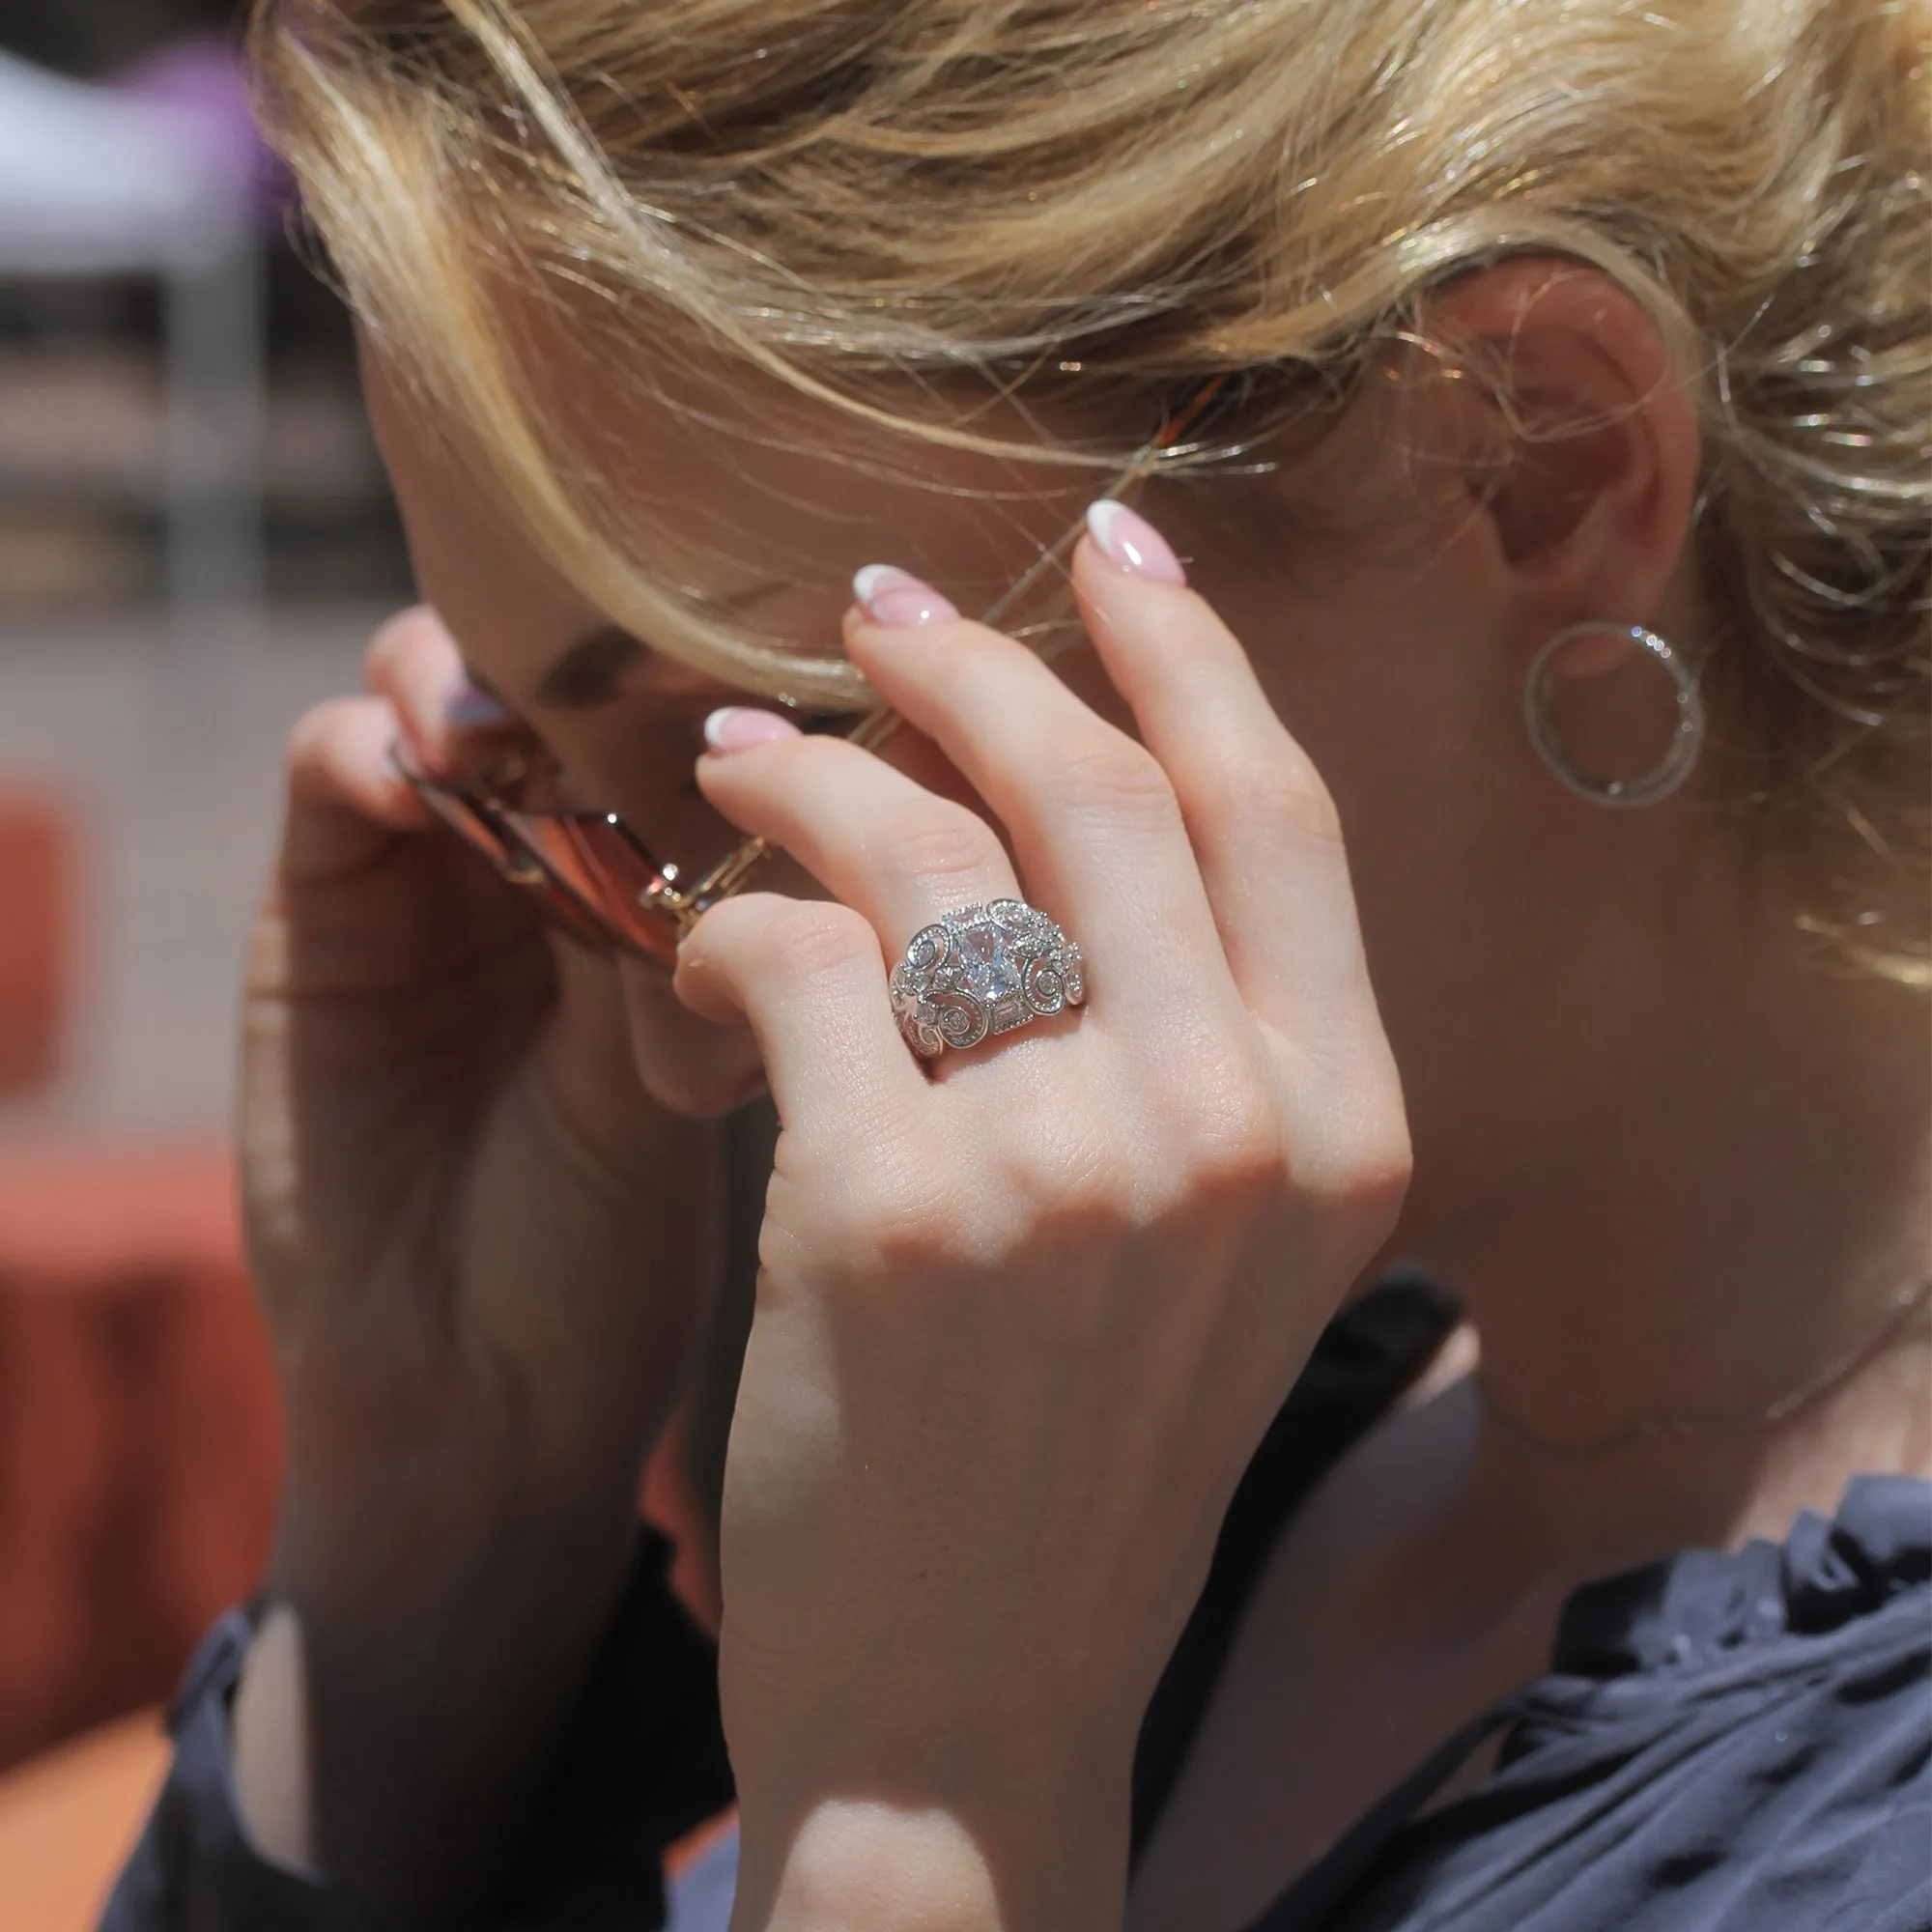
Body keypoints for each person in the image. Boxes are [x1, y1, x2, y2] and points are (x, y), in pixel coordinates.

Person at [103, 0, 1929, 1926]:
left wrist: (925, 1806)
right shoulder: (1197, 1455)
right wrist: (443, 1531)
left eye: (774, 748)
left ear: (1528, 455)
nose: (671, 1044)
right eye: (541, 790)